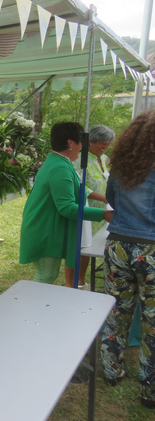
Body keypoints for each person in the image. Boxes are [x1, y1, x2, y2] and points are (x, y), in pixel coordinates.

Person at [99, 110, 155, 408]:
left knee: (117, 311)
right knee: (154, 322)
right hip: (152, 251)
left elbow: (112, 200)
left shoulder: (122, 167)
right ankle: (150, 390)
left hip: (118, 246)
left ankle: (111, 369)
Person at [19, 122, 113, 285]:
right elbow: (67, 208)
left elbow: (78, 188)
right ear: (71, 143)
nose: (83, 146)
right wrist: (104, 214)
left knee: (48, 276)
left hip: (47, 227)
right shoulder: (59, 167)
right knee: (46, 276)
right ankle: (35, 308)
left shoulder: (60, 162)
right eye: (81, 141)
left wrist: (104, 198)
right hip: (45, 230)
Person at [72, 125, 115, 289]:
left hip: (105, 209)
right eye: (102, 143)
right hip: (90, 208)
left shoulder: (104, 159)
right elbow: (81, 186)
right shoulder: (80, 159)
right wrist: (104, 198)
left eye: (108, 144)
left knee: (98, 244)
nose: (105, 147)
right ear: (91, 141)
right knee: (85, 245)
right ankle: (80, 281)